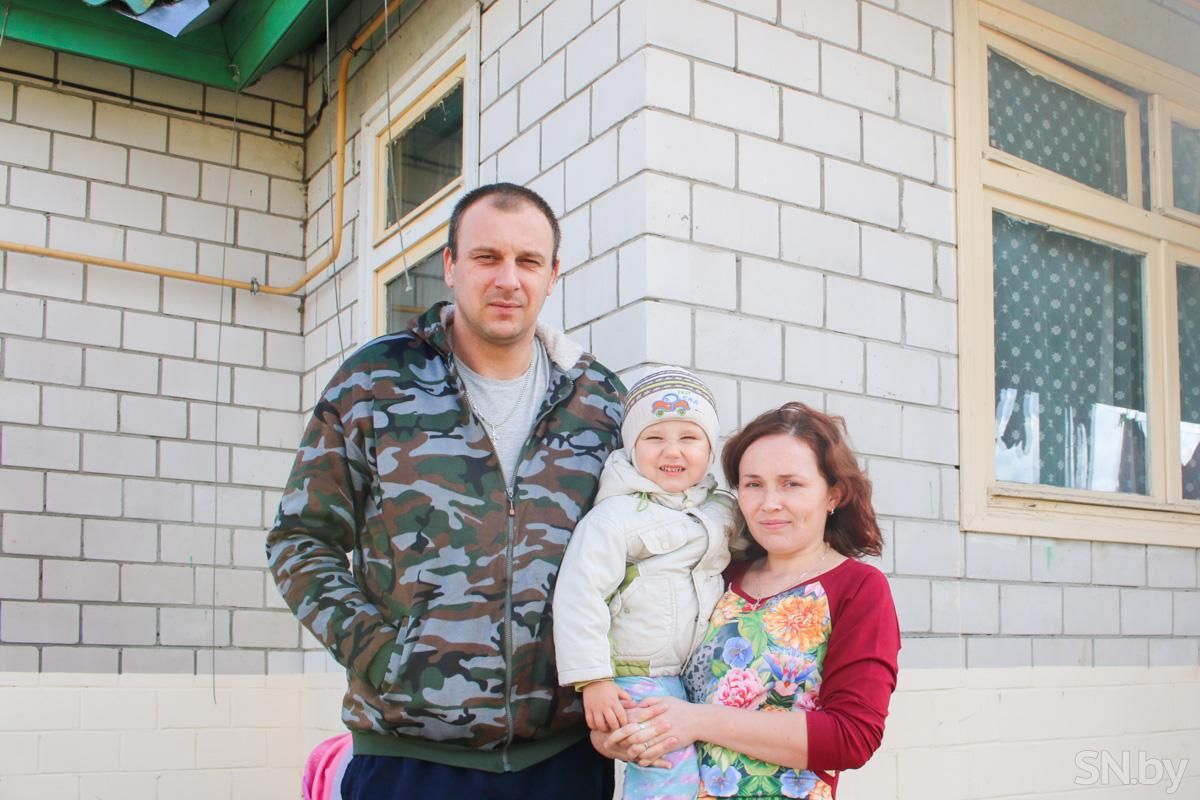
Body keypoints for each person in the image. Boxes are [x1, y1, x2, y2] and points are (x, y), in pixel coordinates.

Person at [266, 182, 625, 800]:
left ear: (552, 274)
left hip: (564, 758)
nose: (508, 279)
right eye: (487, 257)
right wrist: (384, 657)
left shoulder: (599, 401)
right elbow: (301, 540)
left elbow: (636, 541)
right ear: (451, 266)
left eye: (528, 261)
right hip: (410, 757)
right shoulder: (376, 380)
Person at [601, 402, 900, 799]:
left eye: (791, 484)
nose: (769, 502)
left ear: (834, 494)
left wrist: (698, 721)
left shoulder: (857, 587)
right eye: (753, 484)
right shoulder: (714, 576)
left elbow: (852, 737)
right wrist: (617, 736)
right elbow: (650, 675)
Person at [553, 367, 737, 800]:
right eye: (654, 438)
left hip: (699, 676)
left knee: (711, 773)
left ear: (710, 449)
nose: (672, 450)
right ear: (632, 446)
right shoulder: (614, 517)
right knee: (665, 769)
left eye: (689, 437)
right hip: (638, 675)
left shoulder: (722, 510)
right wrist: (594, 679)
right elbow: (580, 596)